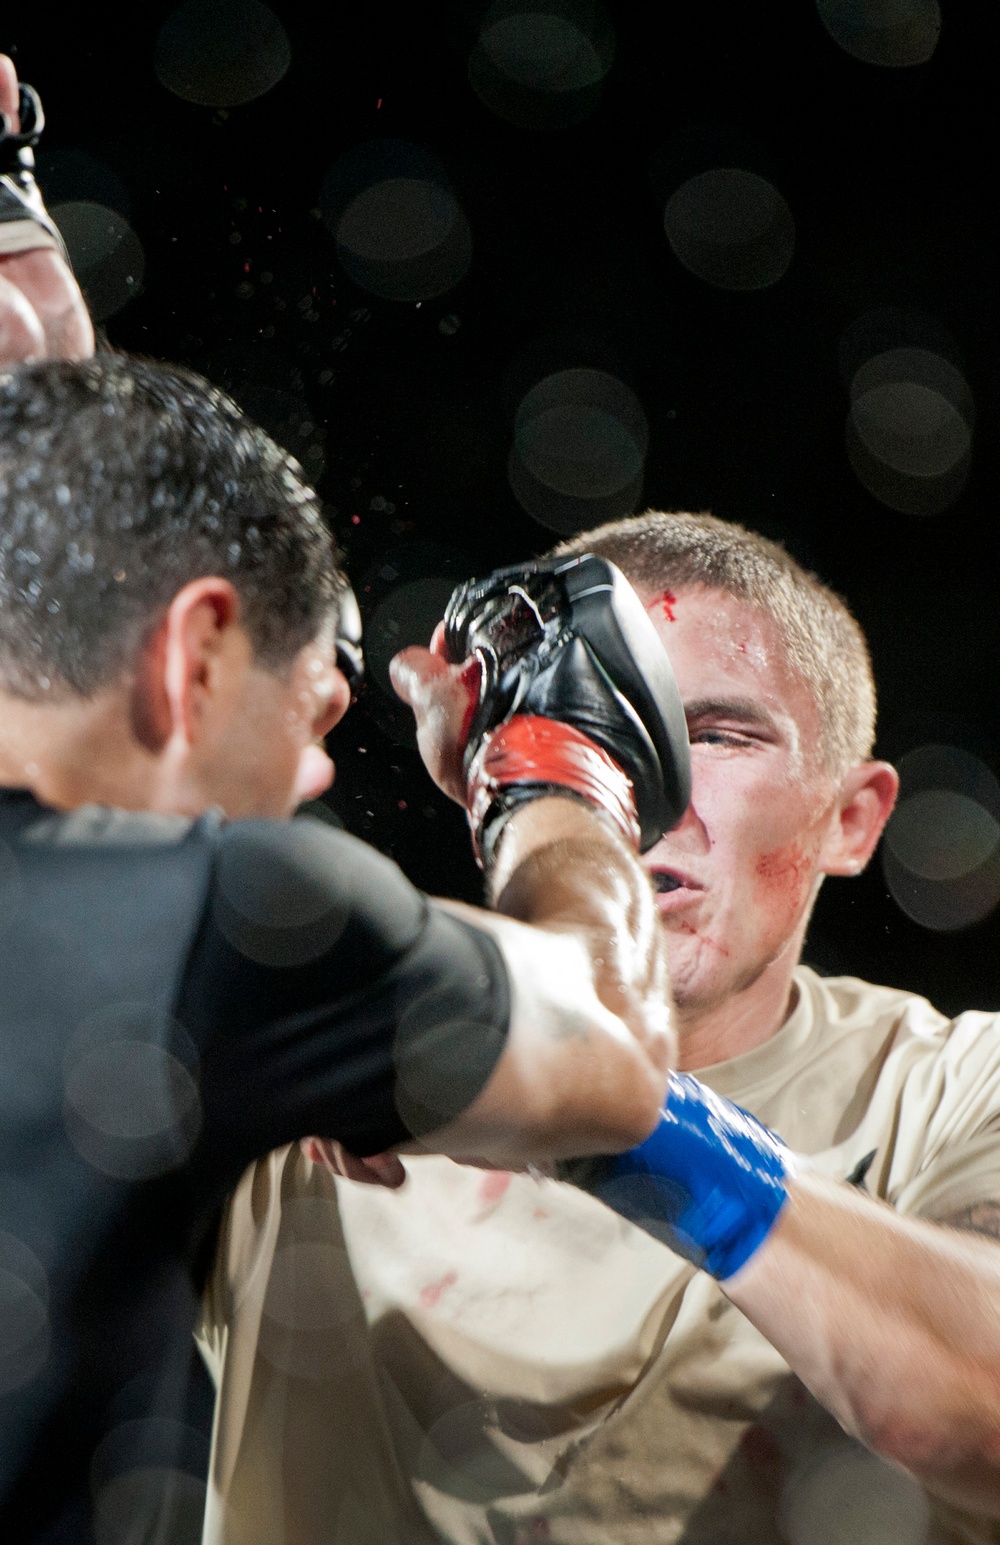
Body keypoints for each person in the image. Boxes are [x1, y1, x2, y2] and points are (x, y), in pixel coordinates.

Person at [0, 61, 675, 1541]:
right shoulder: (217, 921)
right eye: (309, 719)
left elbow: (42, 468)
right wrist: (557, 770)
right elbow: (614, 1046)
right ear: (195, 652)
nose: (315, 783)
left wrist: (15, 215)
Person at [198, 510, 1000, 1545]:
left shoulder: (958, 1083)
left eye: (716, 735)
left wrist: (611, 1112)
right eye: (594, 731)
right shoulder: (314, 1032)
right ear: (487, 777)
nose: (645, 791)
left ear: (850, 819)